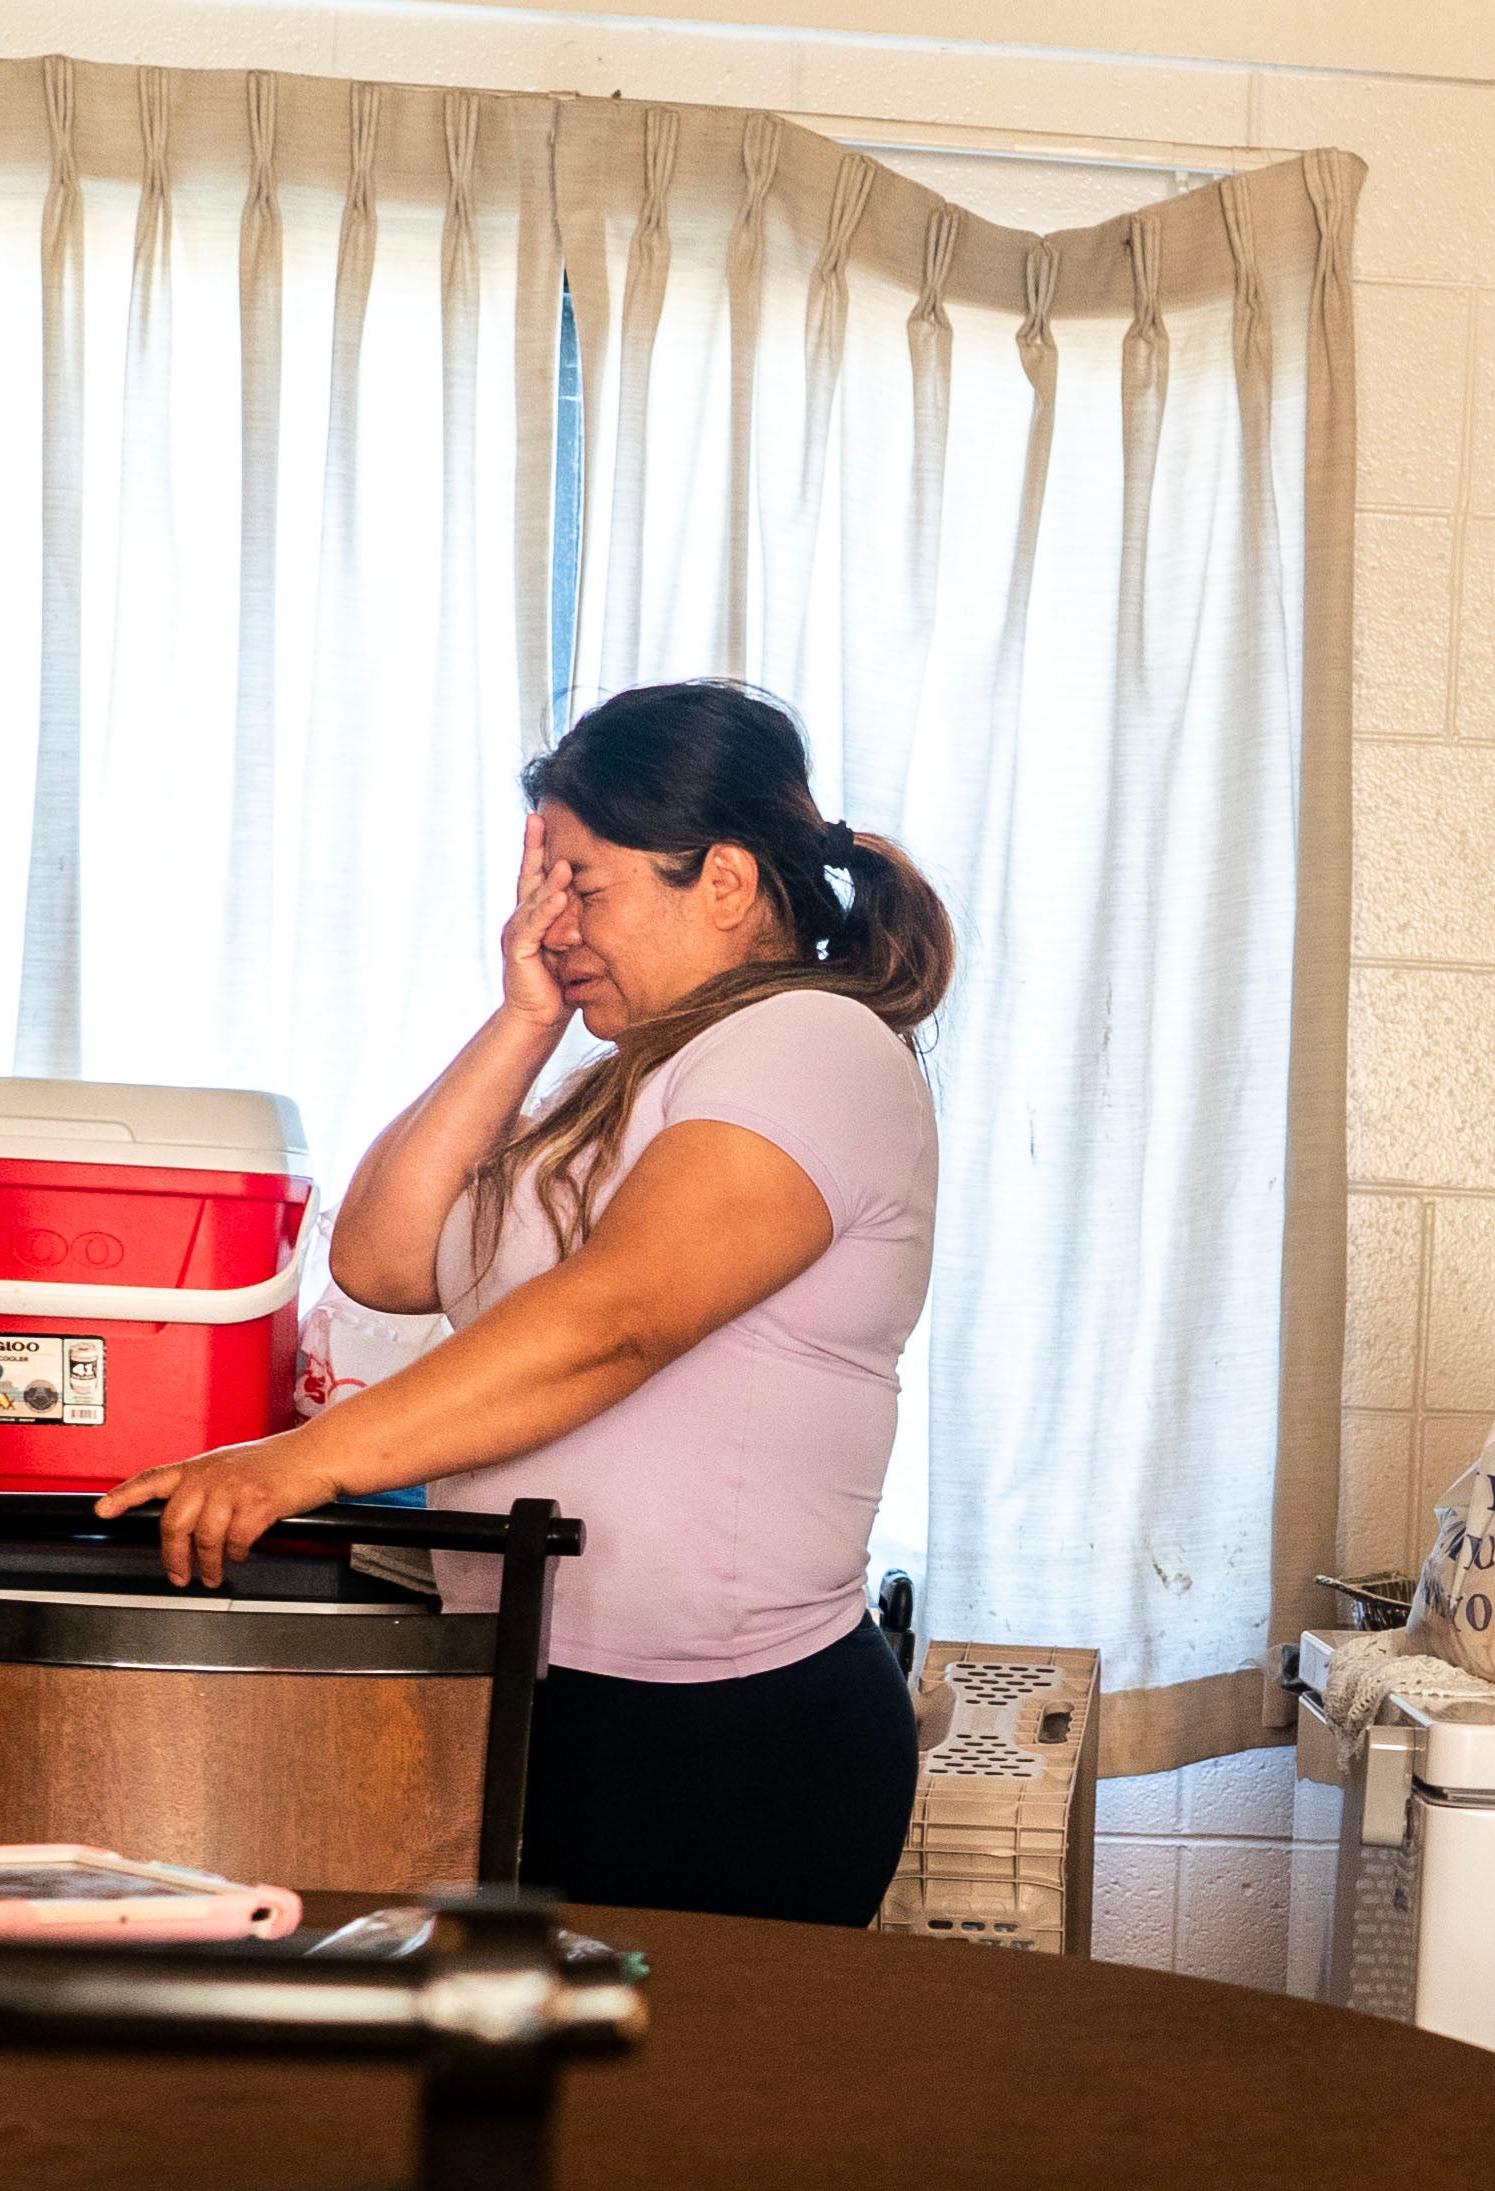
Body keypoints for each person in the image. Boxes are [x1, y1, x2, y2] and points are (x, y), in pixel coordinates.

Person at [103, 680, 952, 1927]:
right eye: (539, 889)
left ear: (722, 881)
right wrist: (521, 1014)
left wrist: (301, 1461)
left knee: (683, 2112)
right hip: (553, 1701)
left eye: (583, 885)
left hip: (727, 1734)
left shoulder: (810, 1048)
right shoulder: (616, 1083)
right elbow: (386, 1259)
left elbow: (615, 1322)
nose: (552, 923)